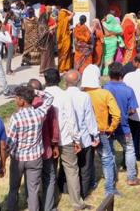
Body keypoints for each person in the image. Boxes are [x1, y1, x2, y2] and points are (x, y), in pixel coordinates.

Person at [43, 69, 89, 210]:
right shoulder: (64, 96)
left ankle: (49, 201)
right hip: (66, 139)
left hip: (48, 141)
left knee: (49, 172)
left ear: (45, 80)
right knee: (71, 171)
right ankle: (77, 203)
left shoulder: (42, 96)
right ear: (60, 79)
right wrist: (76, 139)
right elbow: (71, 120)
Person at [6, 86, 54, 211]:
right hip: (35, 158)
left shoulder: (16, 118)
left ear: (22, 101)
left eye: (16, 98)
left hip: (18, 159)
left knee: (13, 188)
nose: (15, 100)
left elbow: (10, 142)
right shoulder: (39, 113)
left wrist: (4, 156)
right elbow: (50, 97)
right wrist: (35, 92)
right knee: (33, 190)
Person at [81, 64, 121, 196]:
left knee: (89, 160)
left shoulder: (81, 94)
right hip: (102, 132)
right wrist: (111, 128)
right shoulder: (104, 93)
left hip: (84, 134)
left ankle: (91, 183)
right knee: (107, 159)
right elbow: (116, 114)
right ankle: (109, 189)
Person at [103, 63, 140, 186]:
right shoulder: (128, 90)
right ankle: (131, 177)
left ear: (109, 74)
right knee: (129, 150)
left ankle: (110, 179)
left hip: (108, 127)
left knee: (109, 152)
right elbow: (133, 110)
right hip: (124, 126)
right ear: (122, 75)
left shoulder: (104, 89)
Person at [64, 70, 99, 198]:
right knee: (85, 167)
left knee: (68, 167)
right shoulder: (84, 96)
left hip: (67, 138)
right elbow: (89, 118)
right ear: (78, 82)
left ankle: (66, 188)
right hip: (83, 137)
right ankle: (83, 192)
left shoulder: (63, 95)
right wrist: (95, 135)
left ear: (66, 82)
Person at [26, 78, 59, 211]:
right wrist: (55, 144)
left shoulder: (24, 106)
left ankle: (34, 205)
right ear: (40, 90)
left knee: (31, 182)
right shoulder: (46, 105)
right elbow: (53, 127)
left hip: (30, 153)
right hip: (45, 149)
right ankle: (49, 207)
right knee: (49, 177)